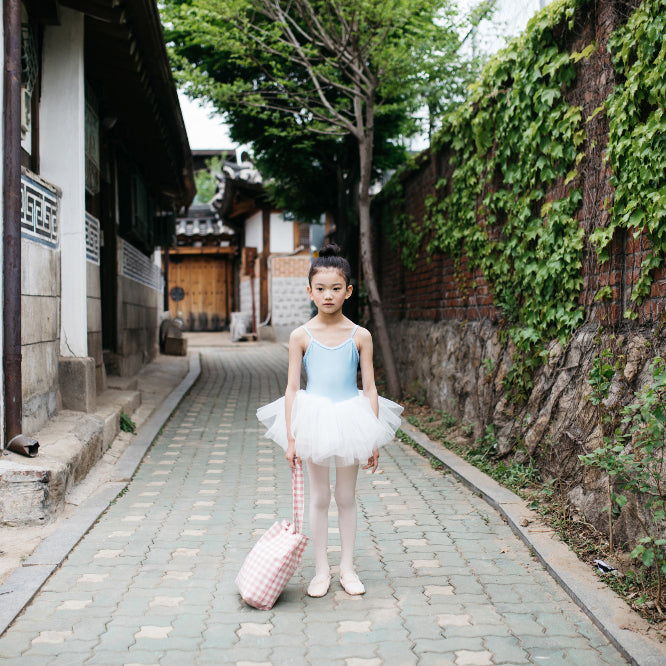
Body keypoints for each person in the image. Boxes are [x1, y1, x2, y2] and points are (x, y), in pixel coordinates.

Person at [257, 244, 403, 598]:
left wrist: (371, 436)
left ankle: (348, 568)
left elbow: (369, 386)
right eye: (320, 288)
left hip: (352, 418)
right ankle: (321, 569)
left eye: (336, 288)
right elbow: (293, 389)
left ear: (348, 291)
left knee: (346, 496)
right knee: (319, 496)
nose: (328, 295)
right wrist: (292, 438)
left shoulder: (360, 335)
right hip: (313, 419)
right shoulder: (300, 336)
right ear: (309, 291)